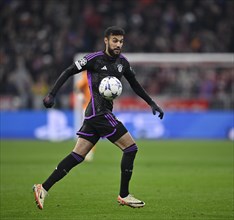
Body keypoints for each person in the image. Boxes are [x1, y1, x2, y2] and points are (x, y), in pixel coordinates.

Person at [33, 26, 164, 210]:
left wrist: (151, 103)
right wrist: (52, 94)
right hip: (99, 113)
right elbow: (68, 71)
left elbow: (135, 85)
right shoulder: (93, 59)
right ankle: (124, 194)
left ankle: (43, 188)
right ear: (106, 40)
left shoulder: (122, 63)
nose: (118, 44)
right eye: (115, 40)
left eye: (121, 41)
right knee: (131, 148)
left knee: (77, 156)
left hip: (94, 115)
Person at [75, 71, 96, 161]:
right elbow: (78, 87)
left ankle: (88, 151)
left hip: (97, 107)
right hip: (88, 107)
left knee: (92, 131)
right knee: (88, 130)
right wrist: (81, 95)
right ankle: (85, 152)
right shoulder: (86, 74)